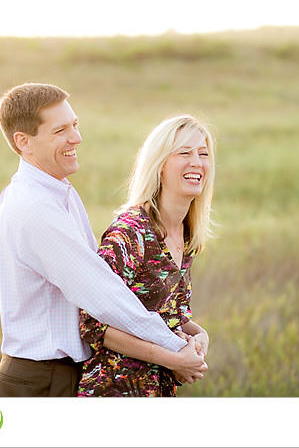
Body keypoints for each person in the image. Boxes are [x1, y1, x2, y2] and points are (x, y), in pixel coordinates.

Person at [0, 83, 207, 397]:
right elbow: (104, 297)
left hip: (57, 374)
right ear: (23, 142)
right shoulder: (34, 207)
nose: (76, 137)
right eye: (60, 130)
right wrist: (175, 351)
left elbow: (118, 288)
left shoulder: (60, 194)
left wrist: (191, 336)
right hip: (41, 380)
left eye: (75, 125)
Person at [77, 115, 214, 396]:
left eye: (203, 154)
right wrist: (174, 359)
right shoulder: (130, 233)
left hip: (157, 391)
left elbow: (164, 314)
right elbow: (91, 322)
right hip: (113, 392)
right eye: (184, 153)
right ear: (160, 165)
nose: (197, 163)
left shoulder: (185, 236)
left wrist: (200, 335)